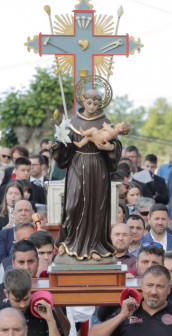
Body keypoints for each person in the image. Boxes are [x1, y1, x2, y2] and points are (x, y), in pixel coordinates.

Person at [50, 89, 124, 261]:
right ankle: (69, 242)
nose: (92, 107)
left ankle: (94, 245)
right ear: (82, 102)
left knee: (96, 206)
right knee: (73, 204)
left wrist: (111, 147)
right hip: (77, 165)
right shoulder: (72, 122)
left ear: (100, 104)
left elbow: (116, 146)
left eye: (96, 104)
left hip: (98, 167)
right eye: (89, 103)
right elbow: (66, 148)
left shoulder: (105, 122)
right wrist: (57, 146)